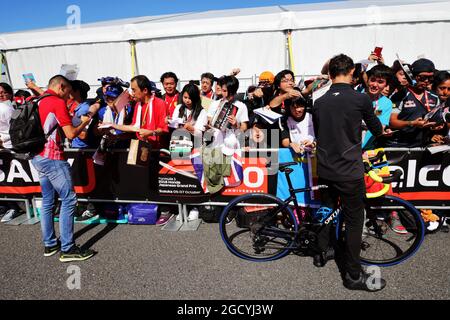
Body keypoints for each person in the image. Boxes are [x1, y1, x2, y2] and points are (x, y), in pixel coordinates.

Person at [312, 54, 386, 292]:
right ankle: (353, 276)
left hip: (325, 167)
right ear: (352, 71)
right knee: (354, 221)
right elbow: (378, 129)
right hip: (349, 170)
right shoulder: (360, 98)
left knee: (327, 211)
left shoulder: (320, 101)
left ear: (331, 73)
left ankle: (323, 252)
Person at [30, 75, 95, 262]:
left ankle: (50, 244)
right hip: (53, 157)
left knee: (48, 201)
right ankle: (68, 248)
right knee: (68, 200)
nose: (69, 97)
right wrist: (86, 120)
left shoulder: (38, 100)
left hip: (37, 155)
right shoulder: (56, 102)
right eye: (68, 92)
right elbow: (71, 133)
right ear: (61, 86)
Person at [110, 75, 172, 225]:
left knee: (160, 181)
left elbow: (165, 129)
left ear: (145, 90)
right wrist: (114, 127)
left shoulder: (159, 103)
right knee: (145, 180)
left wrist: (151, 132)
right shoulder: (138, 105)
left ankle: (166, 210)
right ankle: (149, 207)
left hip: (158, 150)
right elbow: (135, 127)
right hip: (142, 147)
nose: (132, 93)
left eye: (134, 89)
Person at [387, 58, 440, 147]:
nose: (426, 81)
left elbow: (436, 122)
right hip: (399, 145)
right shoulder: (400, 95)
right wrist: (412, 123)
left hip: (421, 146)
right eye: (423, 77)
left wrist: (436, 127)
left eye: (430, 77)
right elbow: (392, 122)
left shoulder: (434, 97)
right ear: (413, 76)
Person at [0, 83, 25, 222]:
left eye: (4, 92)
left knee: (13, 180)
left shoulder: (7, 108)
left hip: (11, 148)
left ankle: (15, 207)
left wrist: (2, 140)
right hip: (3, 149)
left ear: (10, 93)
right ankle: (7, 206)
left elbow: (16, 130)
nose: (1, 95)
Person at [362, 64, 394, 150]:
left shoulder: (386, 103)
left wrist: (384, 131)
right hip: (348, 147)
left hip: (367, 149)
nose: (375, 85)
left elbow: (380, 128)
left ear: (386, 85)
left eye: (380, 82)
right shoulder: (356, 95)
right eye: (372, 80)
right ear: (367, 80)